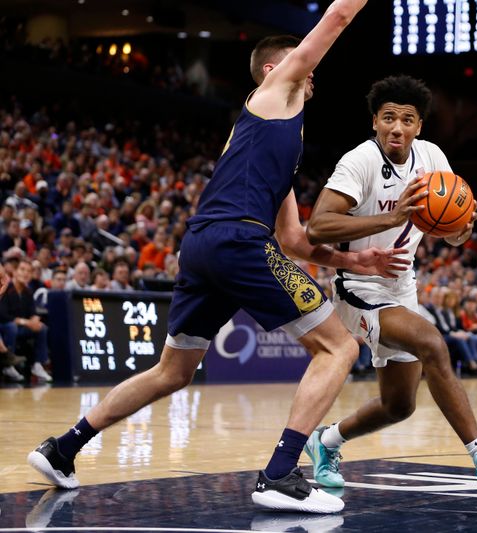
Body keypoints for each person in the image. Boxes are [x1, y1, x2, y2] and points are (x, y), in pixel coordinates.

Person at [27, 1, 405, 515]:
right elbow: (336, 18)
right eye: (303, 63)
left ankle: (62, 448)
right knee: (338, 348)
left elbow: (292, 238)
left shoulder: (275, 140)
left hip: (205, 245)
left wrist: (355, 263)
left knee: (173, 371)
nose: (312, 72)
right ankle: (279, 474)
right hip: (237, 242)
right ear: (276, 69)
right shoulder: (275, 91)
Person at [304, 75, 477, 500]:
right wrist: (392, 216)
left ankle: (325, 442)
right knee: (433, 343)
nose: (397, 127)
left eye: (407, 119)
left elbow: (449, 231)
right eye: (388, 118)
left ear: (419, 126)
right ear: (375, 123)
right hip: (357, 285)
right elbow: (317, 226)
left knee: (399, 405)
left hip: (402, 286)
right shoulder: (358, 162)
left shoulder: (433, 157)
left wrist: (458, 233)